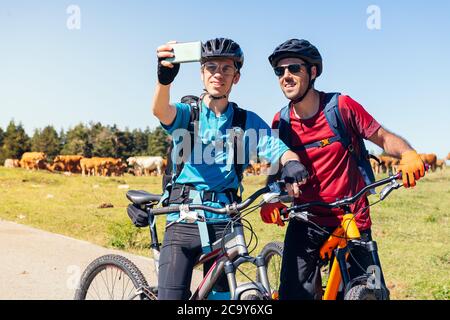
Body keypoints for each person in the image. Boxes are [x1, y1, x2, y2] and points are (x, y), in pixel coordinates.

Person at [260, 38, 425, 300]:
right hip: (306, 220)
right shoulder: (281, 120)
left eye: (294, 69)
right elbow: (276, 166)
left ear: (312, 72)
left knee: (373, 293)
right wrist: (271, 198)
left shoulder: (341, 107)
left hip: (353, 219)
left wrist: (408, 153)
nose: (286, 76)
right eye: (280, 71)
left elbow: (382, 137)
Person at [152, 37, 309, 300]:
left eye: (226, 69)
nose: (218, 74)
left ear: (236, 77)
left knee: (224, 300)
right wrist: (164, 81)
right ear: (202, 73)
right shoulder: (188, 114)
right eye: (211, 67)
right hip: (182, 220)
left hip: (226, 222)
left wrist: (292, 163)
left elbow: (279, 149)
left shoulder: (246, 121)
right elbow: (160, 110)